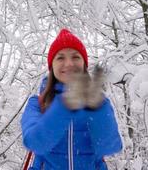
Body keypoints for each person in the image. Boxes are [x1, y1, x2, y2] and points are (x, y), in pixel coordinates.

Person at [21, 28, 122, 170]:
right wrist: (64, 105)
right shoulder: (37, 103)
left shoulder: (98, 102)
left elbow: (109, 145)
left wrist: (98, 110)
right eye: (60, 57)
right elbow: (35, 142)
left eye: (75, 57)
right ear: (52, 66)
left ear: (84, 65)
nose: (69, 63)